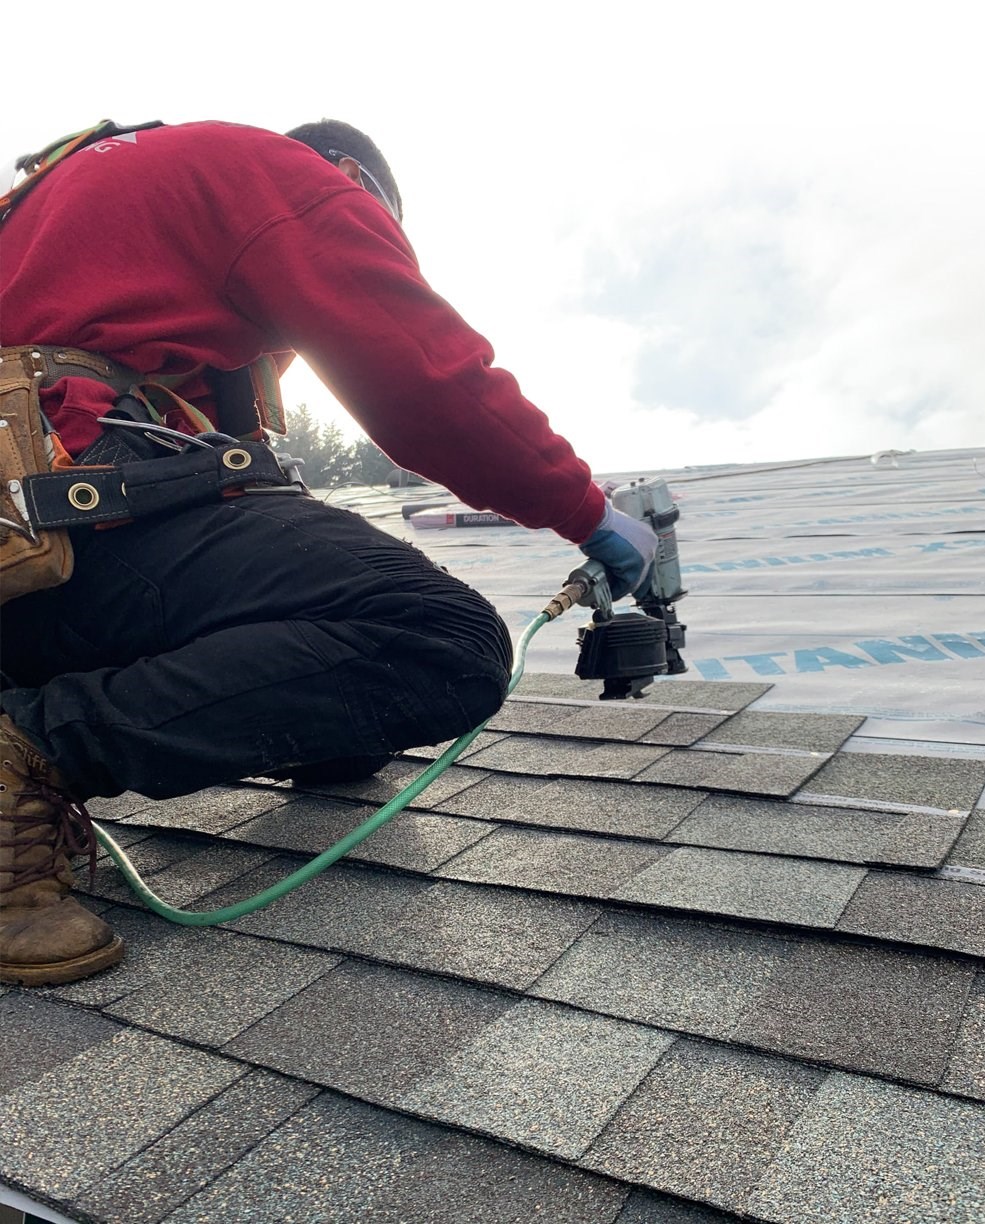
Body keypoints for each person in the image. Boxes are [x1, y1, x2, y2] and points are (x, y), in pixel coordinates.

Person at [0, 118, 657, 986]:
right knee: (438, 642)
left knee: (343, 732)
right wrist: (589, 512)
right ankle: (31, 752)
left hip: (35, 565)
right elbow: (421, 372)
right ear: (347, 177)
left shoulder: (51, 208)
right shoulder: (268, 169)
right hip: (74, 521)